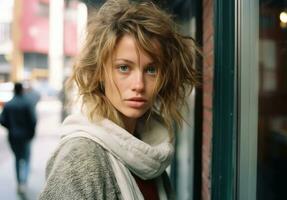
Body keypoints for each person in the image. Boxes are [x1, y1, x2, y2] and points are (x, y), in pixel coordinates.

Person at [39, 0, 200, 199]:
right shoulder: (81, 157)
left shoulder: (149, 154)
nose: (139, 85)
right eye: (124, 68)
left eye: (151, 70)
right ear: (99, 73)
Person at [0, 82, 37, 194]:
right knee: (26, 159)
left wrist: (11, 128)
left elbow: (2, 120)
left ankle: (19, 182)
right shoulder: (27, 103)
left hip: (13, 136)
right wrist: (32, 133)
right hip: (26, 136)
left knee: (17, 159)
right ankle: (23, 182)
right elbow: (33, 120)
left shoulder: (9, 104)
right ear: (22, 90)